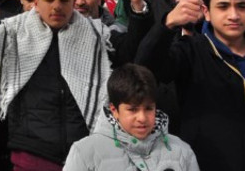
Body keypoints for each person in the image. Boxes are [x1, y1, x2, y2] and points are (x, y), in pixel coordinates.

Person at [0, 0, 150, 170]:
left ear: (73, 2)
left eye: (64, 0)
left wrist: (138, 7)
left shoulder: (98, 34)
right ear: (36, 2)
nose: (57, 6)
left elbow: (130, 52)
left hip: (86, 155)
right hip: (32, 155)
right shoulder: (13, 33)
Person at [136, 0, 245, 171]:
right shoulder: (191, 51)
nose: (233, 15)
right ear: (206, 12)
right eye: (223, 6)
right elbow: (145, 69)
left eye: (241, 6)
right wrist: (167, 24)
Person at [63, 64, 199, 171]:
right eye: (132, 110)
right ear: (114, 110)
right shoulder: (85, 151)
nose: (142, 118)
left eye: (148, 108)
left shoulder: (181, 150)